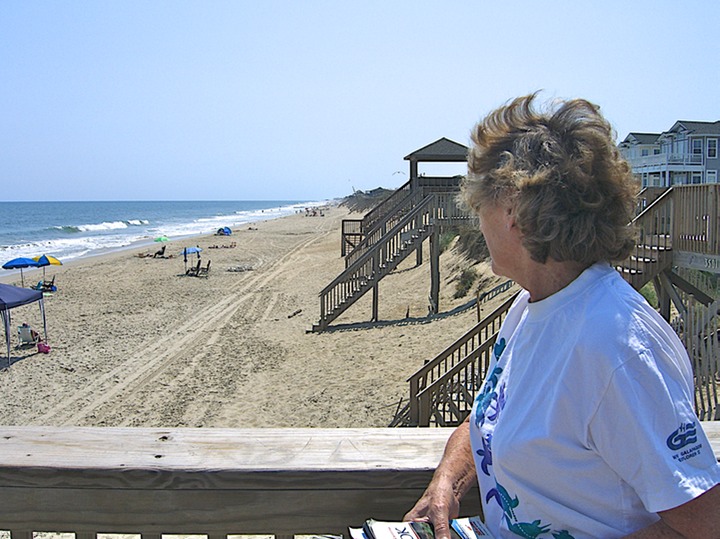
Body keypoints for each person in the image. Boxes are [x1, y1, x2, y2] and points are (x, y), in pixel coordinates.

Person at [404, 94, 720, 538]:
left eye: (480, 207)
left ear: (512, 210)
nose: (478, 222)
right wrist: (446, 484)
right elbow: (489, 413)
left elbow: (704, 524)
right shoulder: (530, 307)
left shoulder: (616, 349)